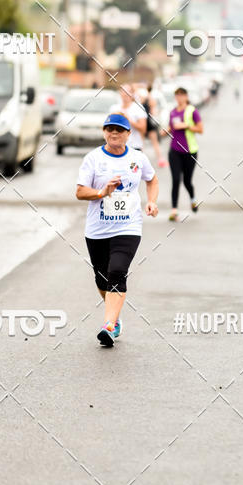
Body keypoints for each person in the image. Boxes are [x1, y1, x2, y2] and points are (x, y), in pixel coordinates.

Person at [76, 113, 159, 347]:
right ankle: (115, 317)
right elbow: (81, 192)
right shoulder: (92, 159)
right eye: (110, 129)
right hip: (98, 229)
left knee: (117, 272)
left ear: (128, 134)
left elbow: (152, 180)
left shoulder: (137, 158)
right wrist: (102, 192)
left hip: (128, 226)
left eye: (119, 130)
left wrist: (151, 201)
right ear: (104, 132)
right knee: (102, 279)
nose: (114, 133)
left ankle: (108, 326)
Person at [166, 87, 203, 222]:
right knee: (176, 179)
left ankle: (193, 199)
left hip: (190, 151)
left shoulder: (192, 111)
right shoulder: (172, 112)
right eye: (177, 96)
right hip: (174, 150)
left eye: (182, 95)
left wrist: (186, 126)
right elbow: (171, 127)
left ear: (186, 97)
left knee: (187, 181)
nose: (180, 98)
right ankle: (174, 211)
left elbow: (200, 129)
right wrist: (164, 132)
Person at [136, 83, 166, 168]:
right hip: (146, 122)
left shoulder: (145, 99)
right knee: (147, 143)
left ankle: (159, 159)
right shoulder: (146, 99)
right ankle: (159, 159)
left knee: (144, 143)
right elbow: (153, 111)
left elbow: (153, 110)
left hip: (146, 122)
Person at [110, 85, 147, 151]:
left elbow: (143, 129)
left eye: (128, 91)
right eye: (123, 91)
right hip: (117, 147)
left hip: (134, 147)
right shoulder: (114, 108)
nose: (125, 93)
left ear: (132, 94)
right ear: (120, 93)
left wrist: (129, 120)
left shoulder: (138, 108)